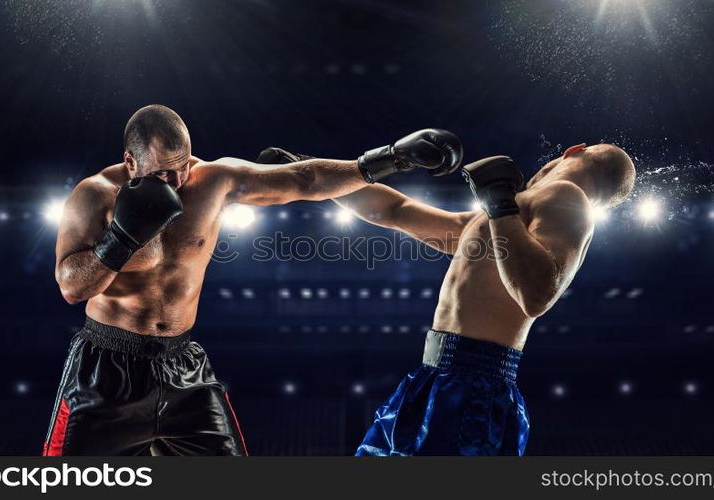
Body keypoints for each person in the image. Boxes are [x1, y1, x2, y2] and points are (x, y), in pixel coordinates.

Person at [42, 104, 462, 456]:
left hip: (182, 367)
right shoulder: (95, 195)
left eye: (182, 166)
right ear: (130, 161)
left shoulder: (213, 181)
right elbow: (72, 287)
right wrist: (120, 238)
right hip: (105, 371)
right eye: (161, 174)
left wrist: (391, 158)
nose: (175, 182)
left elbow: (305, 179)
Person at [256, 142, 635, 455]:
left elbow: (537, 295)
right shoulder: (513, 213)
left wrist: (500, 202)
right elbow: (396, 211)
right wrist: (308, 170)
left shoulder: (567, 197)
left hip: (475, 386)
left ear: (574, 150)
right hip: (434, 377)